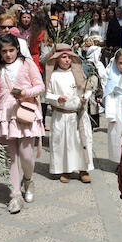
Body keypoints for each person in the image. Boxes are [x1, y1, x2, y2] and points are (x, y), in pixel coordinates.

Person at [0, 33, 45, 213]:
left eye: (11, 50)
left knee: (26, 155)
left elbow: (40, 86)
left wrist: (24, 92)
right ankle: (15, 195)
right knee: (10, 158)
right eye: (4, 51)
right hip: (4, 116)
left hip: (25, 113)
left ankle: (28, 180)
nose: (8, 54)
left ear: (17, 49)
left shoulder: (27, 63)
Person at [44, 44, 94, 183]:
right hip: (61, 115)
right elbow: (47, 95)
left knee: (80, 141)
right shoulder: (53, 76)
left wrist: (85, 97)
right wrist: (56, 98)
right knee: (63, 143)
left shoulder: (77, 72)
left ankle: (83, 169)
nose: (67, 60)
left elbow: (87, 88)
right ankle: (65, 170)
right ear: (57, 59)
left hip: (78, 115)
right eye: (63, 57)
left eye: (69, 57)